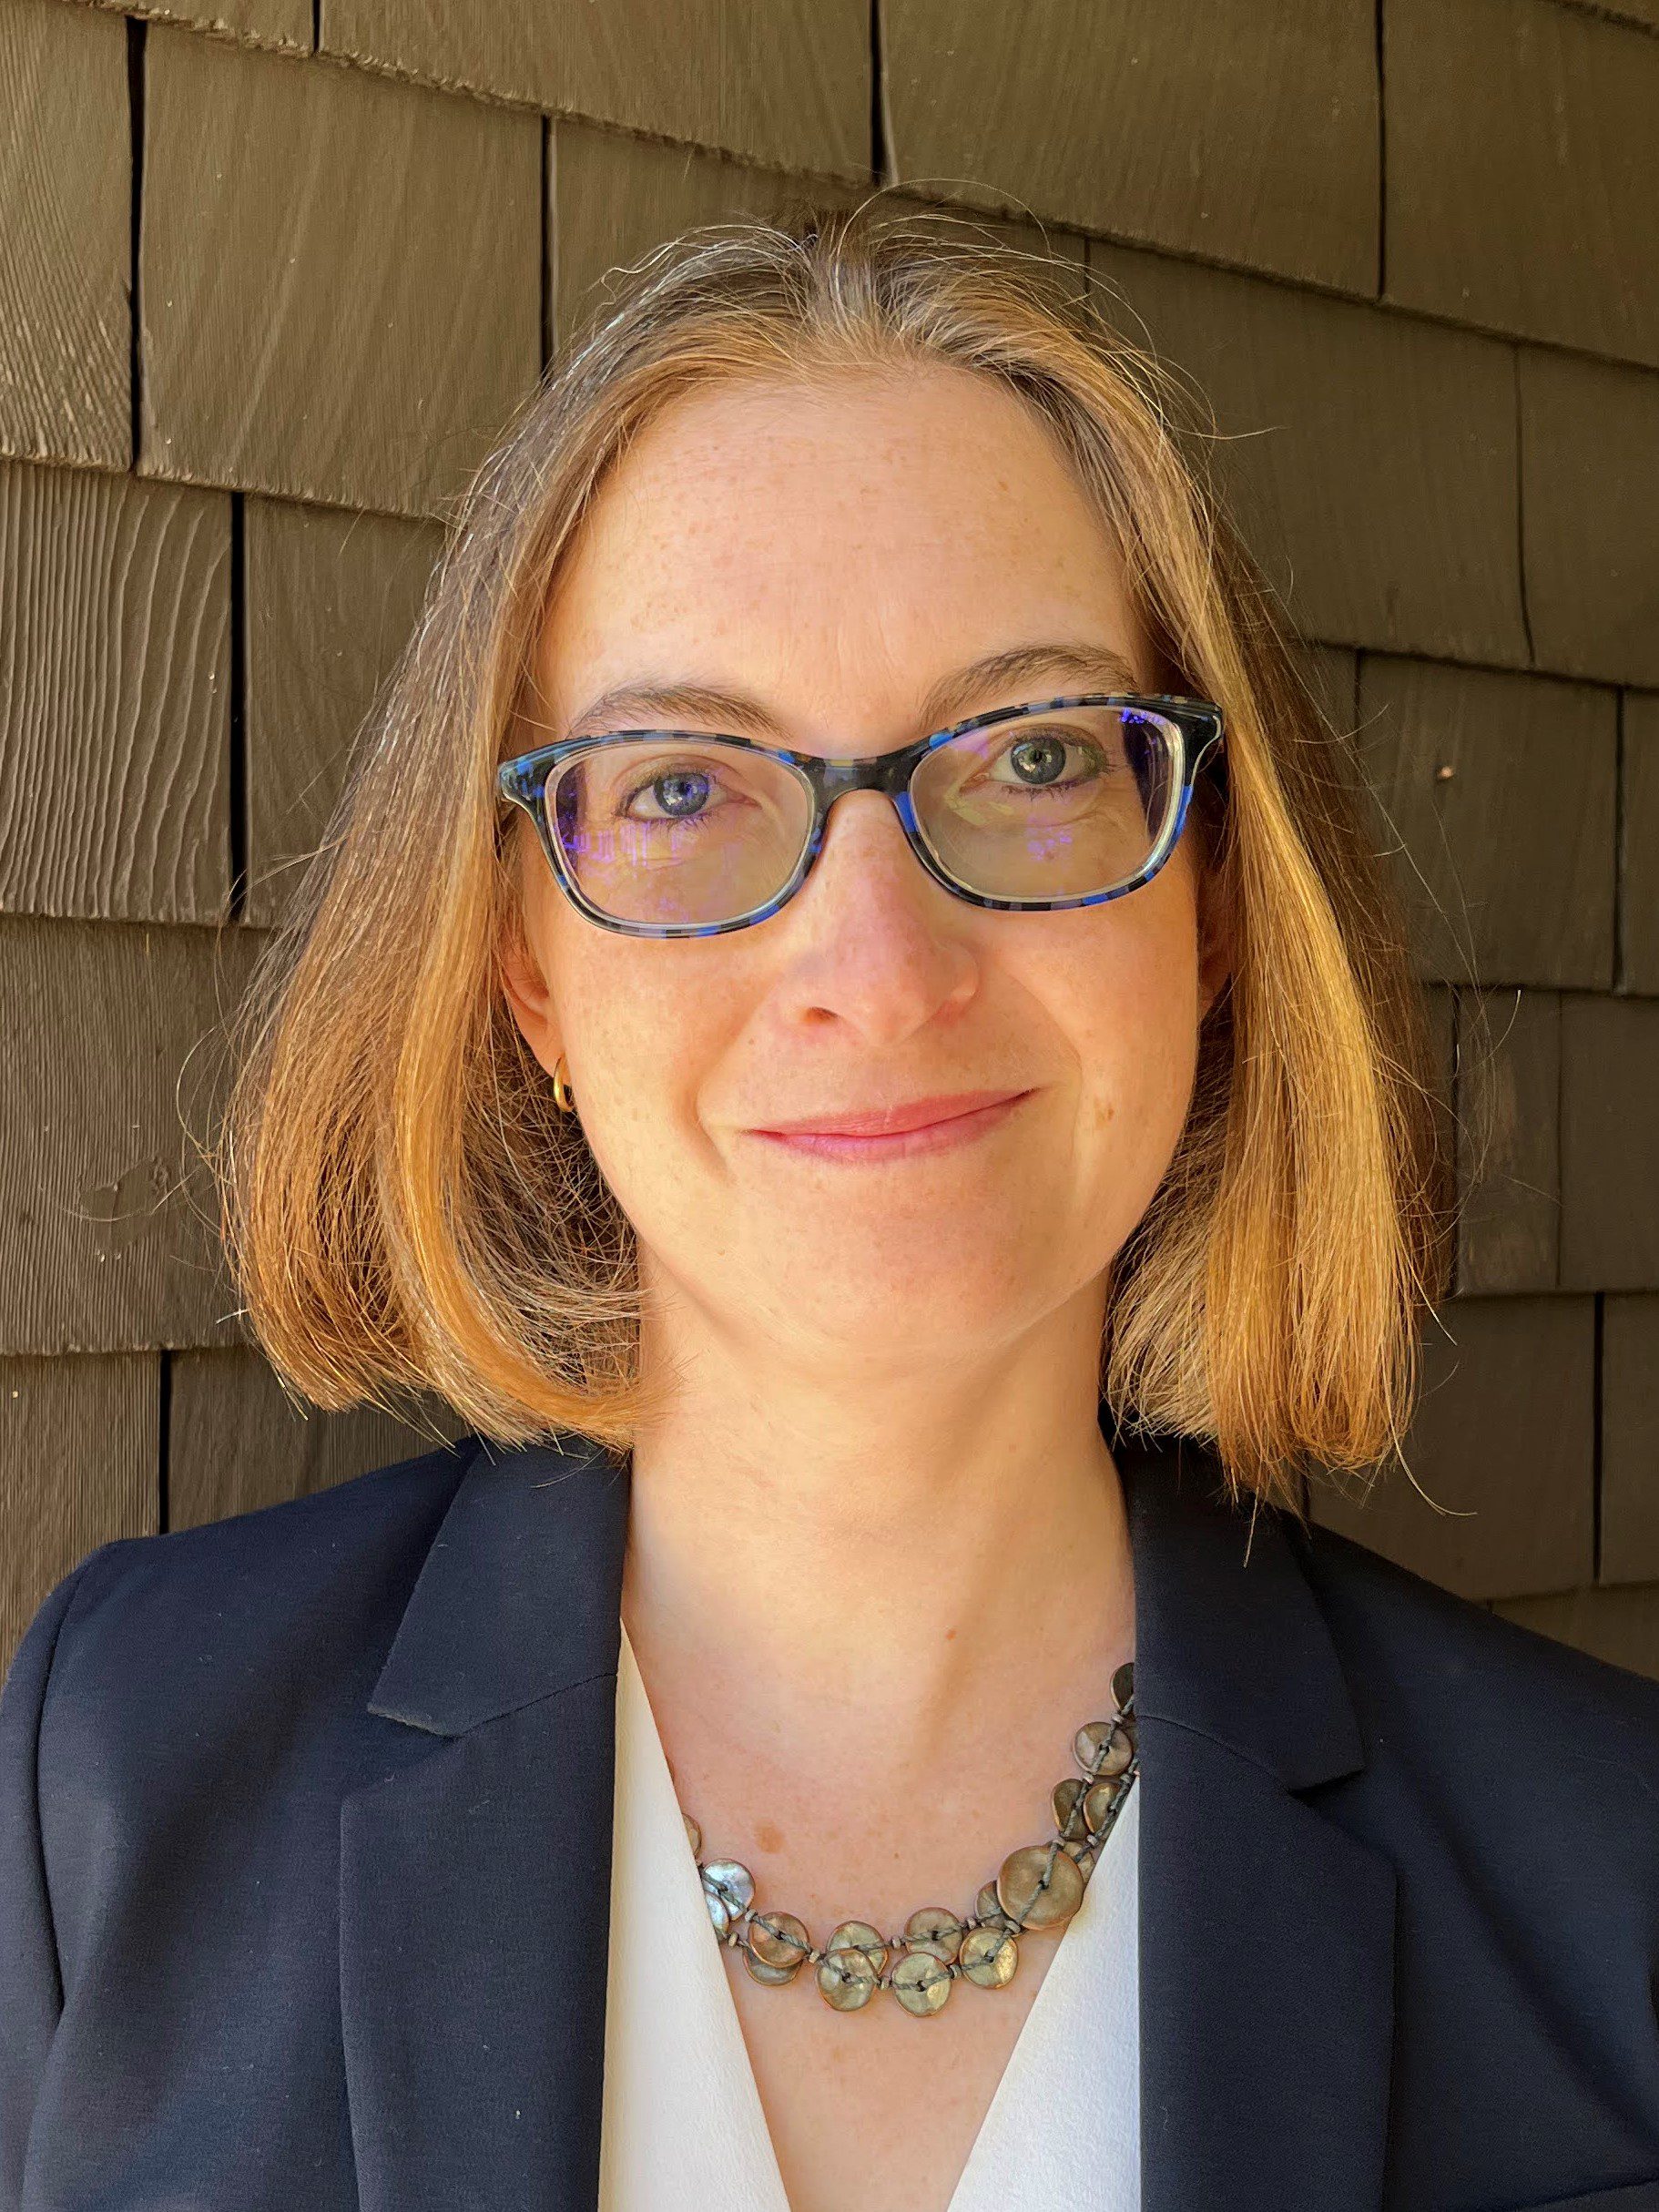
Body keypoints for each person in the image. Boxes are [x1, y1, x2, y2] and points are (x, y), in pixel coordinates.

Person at [4, 199, 1659, 2212]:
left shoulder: (1607, 1871)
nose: (875, 966)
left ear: (1211, 905)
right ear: (524, 961)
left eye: (1034, 752)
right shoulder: (122, 1767)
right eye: (685, 786)